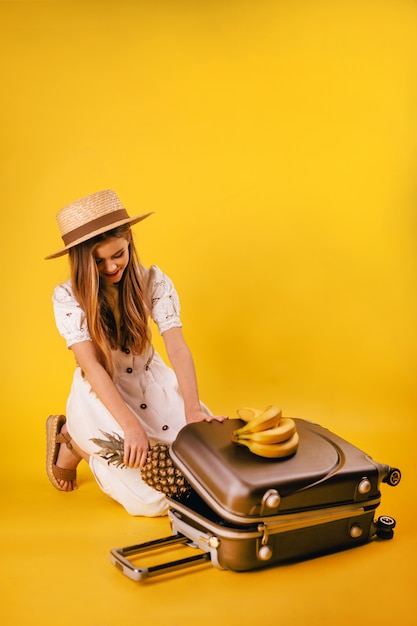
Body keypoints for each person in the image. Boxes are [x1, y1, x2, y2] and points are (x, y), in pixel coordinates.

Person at [45, 189, 227, 516]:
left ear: (128, 238)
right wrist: (130, 426)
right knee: (155, 501)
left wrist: (192, 410)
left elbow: (177, 346)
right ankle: (73, 438)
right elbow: (92, 367)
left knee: (204, 471)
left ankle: (73, 436)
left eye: (117, 254)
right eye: (98, 261)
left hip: (150, 382)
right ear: (81, 261)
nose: (111, 266)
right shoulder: (68, 298)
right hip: (103, 391)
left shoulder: (153, 282)